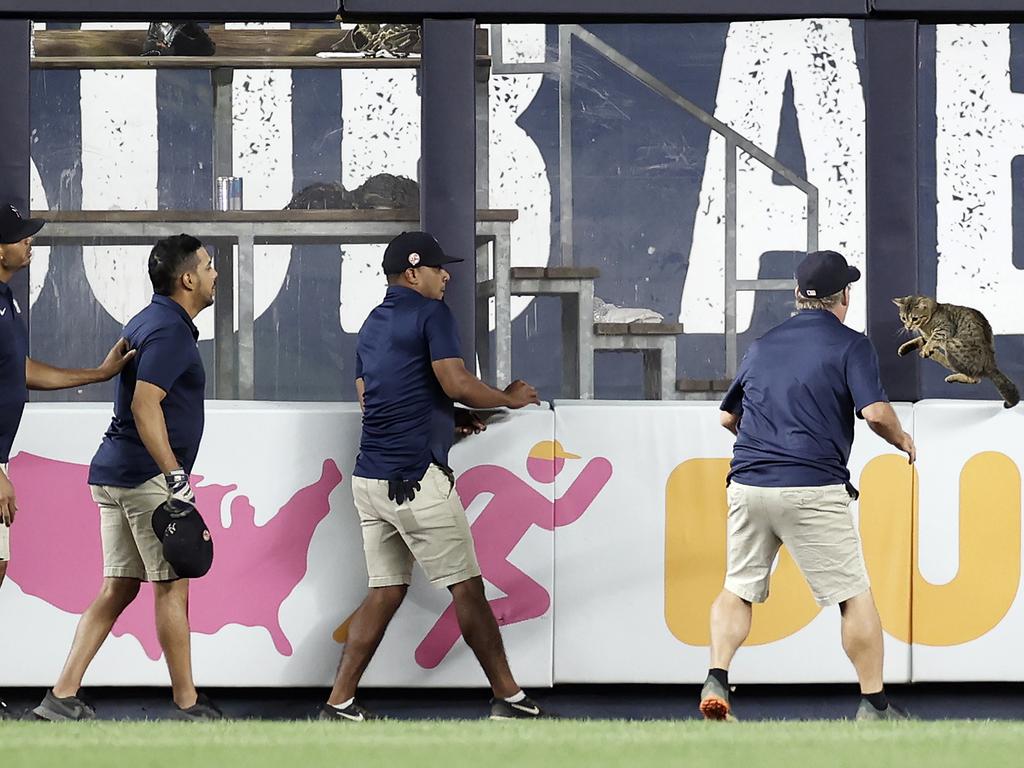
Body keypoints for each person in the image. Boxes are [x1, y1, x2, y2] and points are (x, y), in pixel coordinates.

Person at [322, 231, 547, 721]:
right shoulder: (431, 314)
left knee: (385, 591)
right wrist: (508, 397)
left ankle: (338, 701)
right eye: (438, 268)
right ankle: (508, 698)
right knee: (467, 589)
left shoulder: (371, 325)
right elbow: (455, 381)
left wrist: (444, 419)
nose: (446, 275)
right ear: (412, 272)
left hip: (371, 481)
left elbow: (374, 398)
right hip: (416, 481)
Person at [701, 250, 916, 722]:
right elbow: (876, 413)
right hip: (813, 487)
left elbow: (727, 416)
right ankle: (874, 704)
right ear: (845, 296)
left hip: (749, 483)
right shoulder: (851, 345)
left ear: (798, 296)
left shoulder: (763, 345)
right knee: (852, 597)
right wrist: (903, 439)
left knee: (736, 589)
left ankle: (717, 674)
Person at [33, 234, 220, 722]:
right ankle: (188, 703)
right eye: (208, 265)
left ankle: (62, 694)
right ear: (187, 279)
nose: (214, 273)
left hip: (116, 472)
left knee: (118, 586)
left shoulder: (149, 319)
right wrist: (174, 475)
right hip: (142, 478)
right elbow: (144, 405)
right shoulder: (169, 331)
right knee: (172, 585)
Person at [0, 203, 134, 719]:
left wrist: (98, 376)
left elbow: (22, 370)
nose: (29, 243)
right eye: (20, 237)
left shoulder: (6, 301)